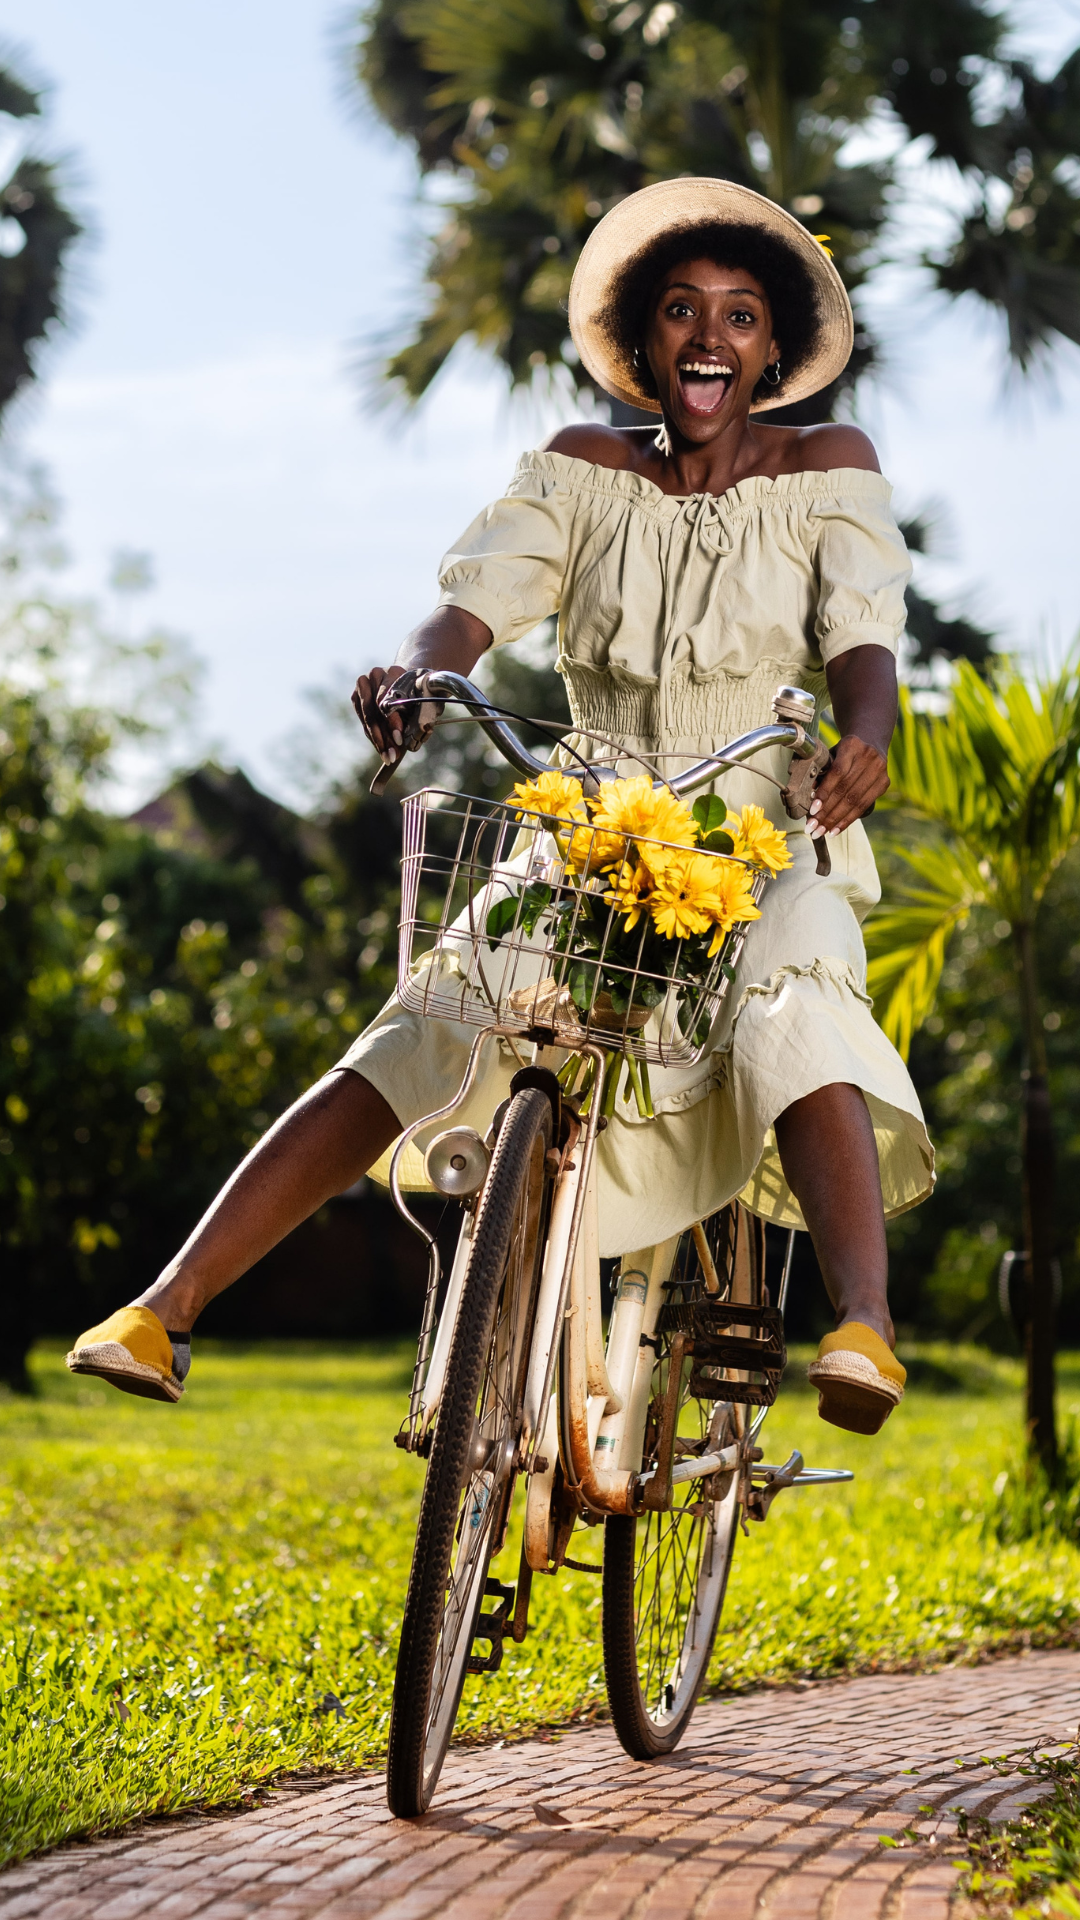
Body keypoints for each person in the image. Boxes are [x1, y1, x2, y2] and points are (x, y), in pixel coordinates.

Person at [68, 178, 932, 1435]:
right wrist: (426, 678)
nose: (709, 336)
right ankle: (167, 1305)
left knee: (795, 988)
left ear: (773, 352)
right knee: (441, 1007)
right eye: (682, 311)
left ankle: (863, 1326)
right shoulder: (580, 472)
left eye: (741, 317)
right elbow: (471, 609)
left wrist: (867, 735)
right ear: (642, 345)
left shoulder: (826, 470)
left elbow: (865, 643)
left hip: (760, 820)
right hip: (592, 818)